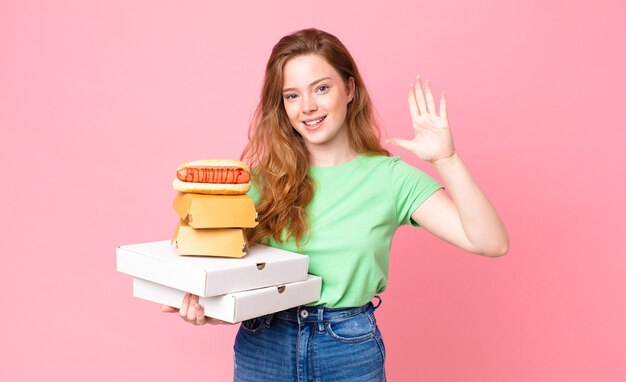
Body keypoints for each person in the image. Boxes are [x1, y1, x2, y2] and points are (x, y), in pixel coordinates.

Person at [161, 28, 509, 381]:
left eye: (322, 88)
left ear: (350, 89)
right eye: (292, 95)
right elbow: (232, 268)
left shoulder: (389, 178)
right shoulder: (261, 180)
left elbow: (490, 242)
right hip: (263, 342)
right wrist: (213, 307)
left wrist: (446, 159)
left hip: (346, 347)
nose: (308, 106)